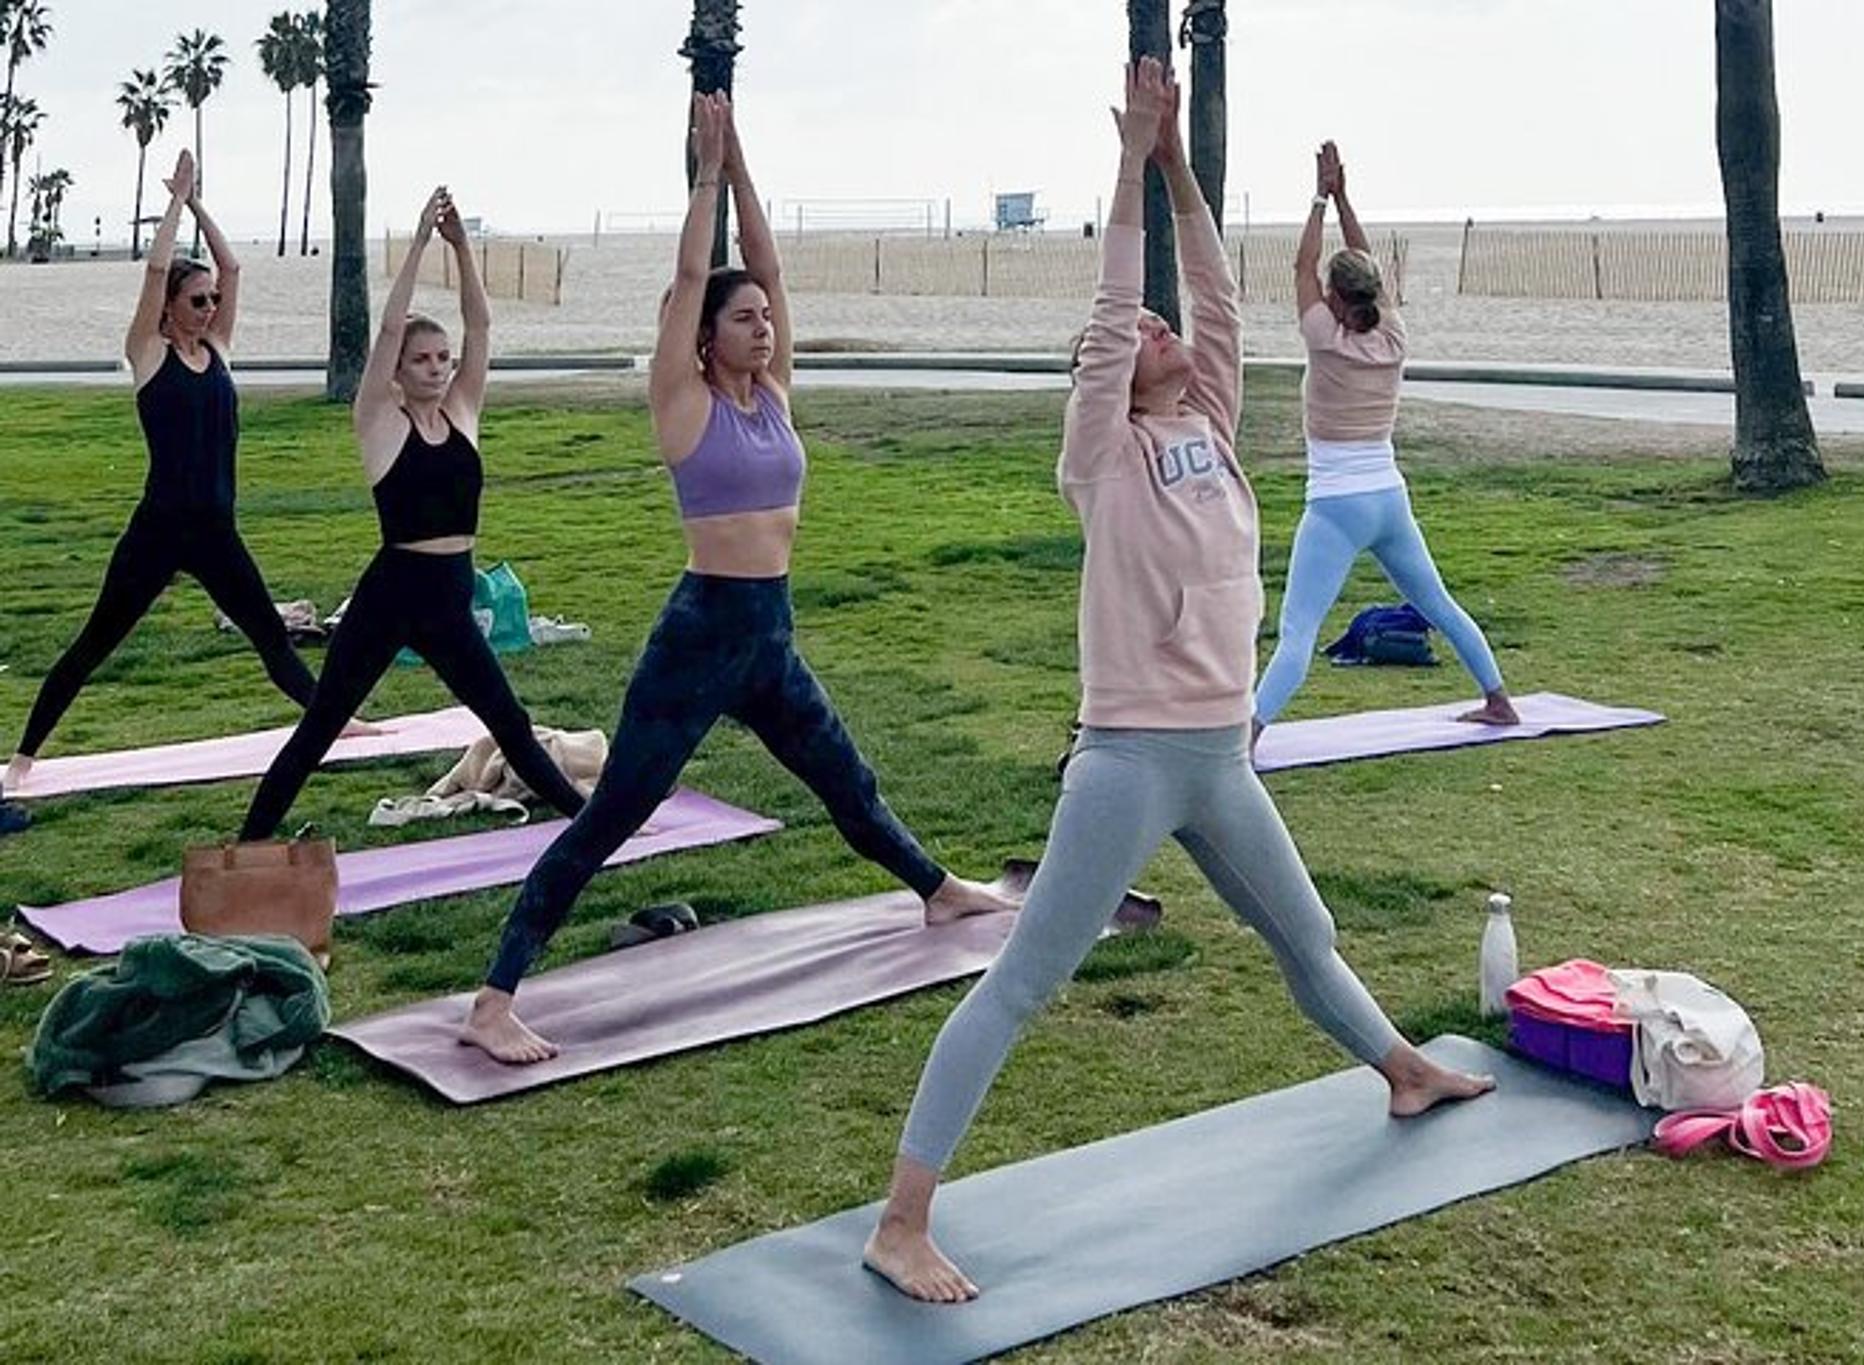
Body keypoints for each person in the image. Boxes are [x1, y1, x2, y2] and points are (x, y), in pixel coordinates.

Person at [861, 62, 1495, 1305]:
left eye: (1164, 330)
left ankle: (1402, 1071)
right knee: (1024, 981)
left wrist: (1178, 168)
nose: (1159, 328)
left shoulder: (1206, 421)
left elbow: (1216, 295)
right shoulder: (1102, 453)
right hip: (1131, 757)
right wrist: (1125, 162)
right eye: (1139, 335)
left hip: (1218, 754)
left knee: (1304, 936)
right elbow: (1114, 313)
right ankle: (900, 1220)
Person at [458, 94, 1013, 1065]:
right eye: (743, 319)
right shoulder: (683, 403)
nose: (762, 327)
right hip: (700, 636)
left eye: (765, 318)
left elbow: (771, 268)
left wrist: (747, 168)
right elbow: (690, 276)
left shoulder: (775, 397)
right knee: (612, 817)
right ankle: (493, 1000)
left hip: (768, 635)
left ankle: (936, 891)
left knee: (846, 780)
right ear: (705, 336)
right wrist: (708, 174)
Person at [3, 150, 347, 814]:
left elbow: (233, 267)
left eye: (212, 300)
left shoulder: (217, 349)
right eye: (198, 300)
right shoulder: (148, 353)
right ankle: (23, 757)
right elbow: (157, 269)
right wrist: (172, 204)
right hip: (158, 532)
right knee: (94, 643)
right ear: (167, 309)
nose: (210, 306)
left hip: (217, 532)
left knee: (270, 637)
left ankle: (337, 724)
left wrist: (197, 204)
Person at [237, 188, 586, 841]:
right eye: (421, 360)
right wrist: (420, 242)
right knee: (322, 726)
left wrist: (462, 249)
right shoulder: (380, 420)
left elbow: (481, 328)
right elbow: (389, 329)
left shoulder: (462, 413)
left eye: (442, 359)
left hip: (450, 597)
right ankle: (247, 844)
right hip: (391, 595)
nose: (436, 369)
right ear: (396, 370)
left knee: (509, 722)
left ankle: (590, 827)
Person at [1251, 140, 1517, 741]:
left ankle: (1248, 735)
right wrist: (1345, 199)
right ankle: (1498, 700)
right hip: (1389, 499)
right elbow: (1364, 265)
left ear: (1335, 297)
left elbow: (1300, 268)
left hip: (1337, 505)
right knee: (1439, 604)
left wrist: (1320, 198)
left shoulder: (1325, 337)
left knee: (1298, 631)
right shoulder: (1392, 334)